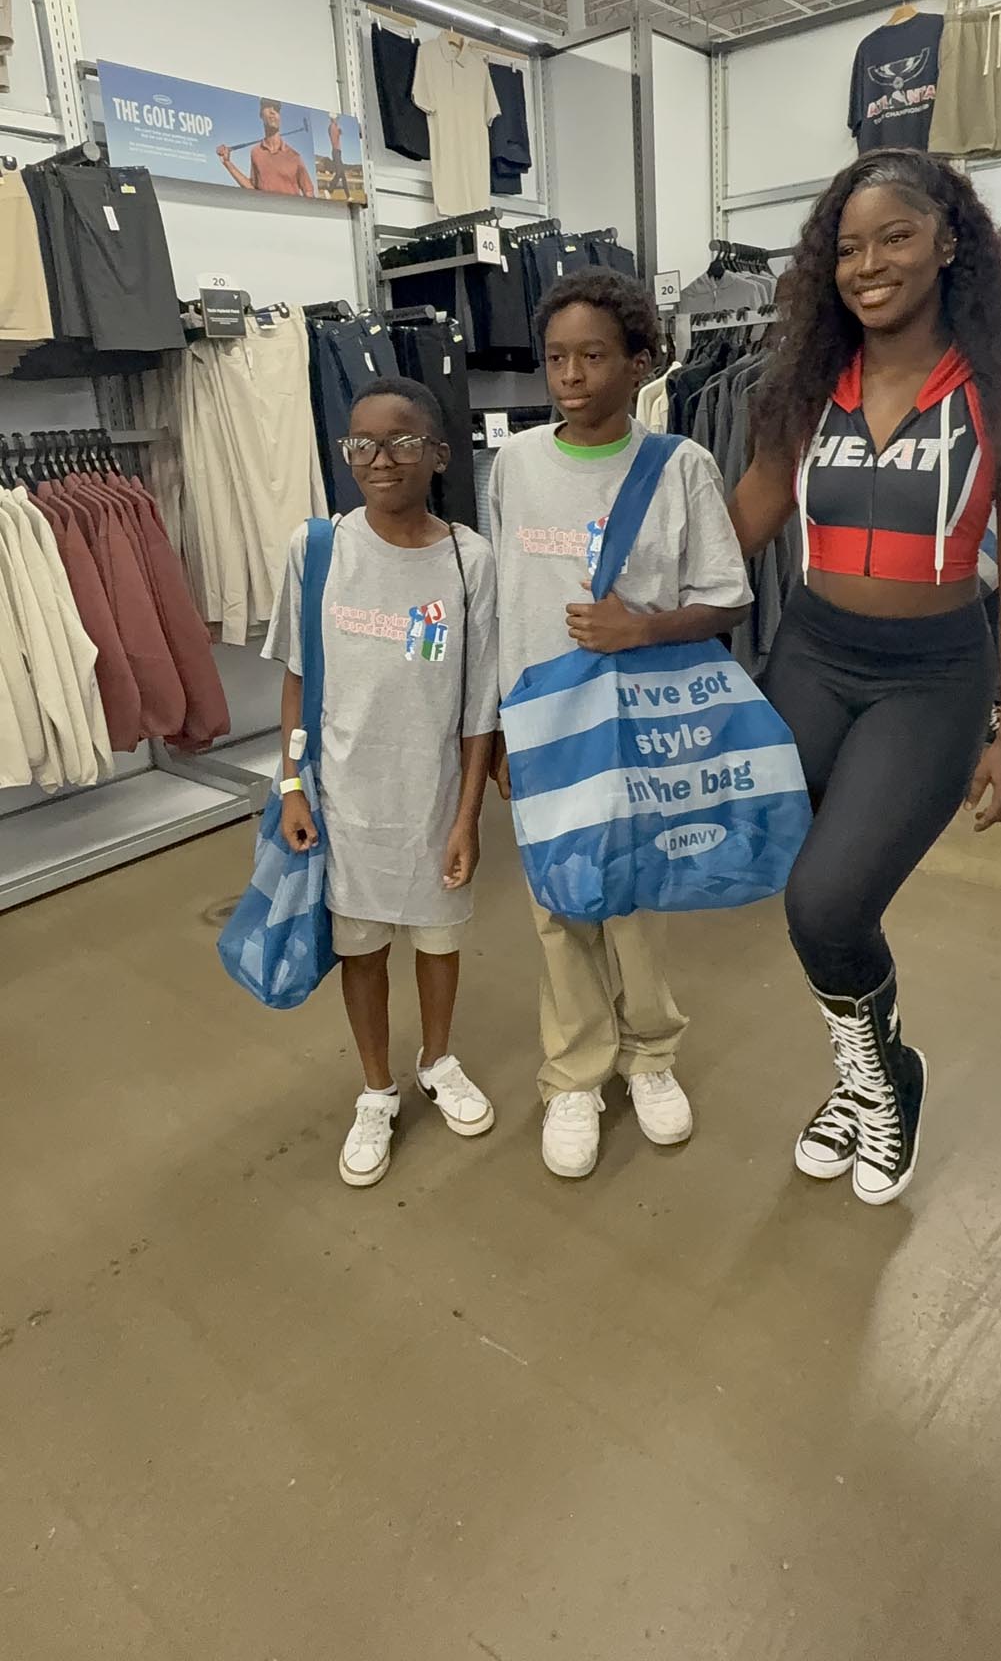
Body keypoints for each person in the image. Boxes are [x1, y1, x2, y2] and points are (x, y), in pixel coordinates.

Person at [730, 149, 1001, 1205]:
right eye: (847, 248)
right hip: (810, 655)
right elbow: (737, 531)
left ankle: (886, 1079)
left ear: (949, 242)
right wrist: (634, 609)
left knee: (829, 902)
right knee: (797, 884)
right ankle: (865, 1067)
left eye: (895, 237)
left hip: (931, 678)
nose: (868, 265)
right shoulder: (800, 393)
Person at [489, 269, 752, 1180]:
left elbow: (727, 598)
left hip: (641, 724)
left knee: (636, 895)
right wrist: (497, 729)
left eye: (593, 356)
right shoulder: (515, 464)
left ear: (639, 361)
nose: (570, 375)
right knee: (558, 902)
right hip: (542, 721)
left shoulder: (679, 466)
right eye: (556, 357)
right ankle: (574, 1073)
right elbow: (502, 602)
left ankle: (650, 1055)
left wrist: (639, 628)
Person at [264, 378, 499, 1188]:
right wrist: (290, 785)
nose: (380, 459)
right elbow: (298, 676)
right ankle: (376, 1090)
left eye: (401, 441)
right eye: (361, 443)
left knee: (438, 941)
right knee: (360, 951)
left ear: (438, 454)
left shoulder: (468, 560)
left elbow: (478, 706)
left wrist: (466, 818)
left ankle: (437, 1059)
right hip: (345, 801)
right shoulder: (318, 549)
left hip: (432, 798)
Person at [217, 98, 315, 197]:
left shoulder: (294, 157)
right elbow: (253, 189)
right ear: (261, 114)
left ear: (279, 117)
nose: (273, 111)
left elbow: (309, 192)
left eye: (276, 109)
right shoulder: (256, 153)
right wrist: (227, 163)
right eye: (268, 106)